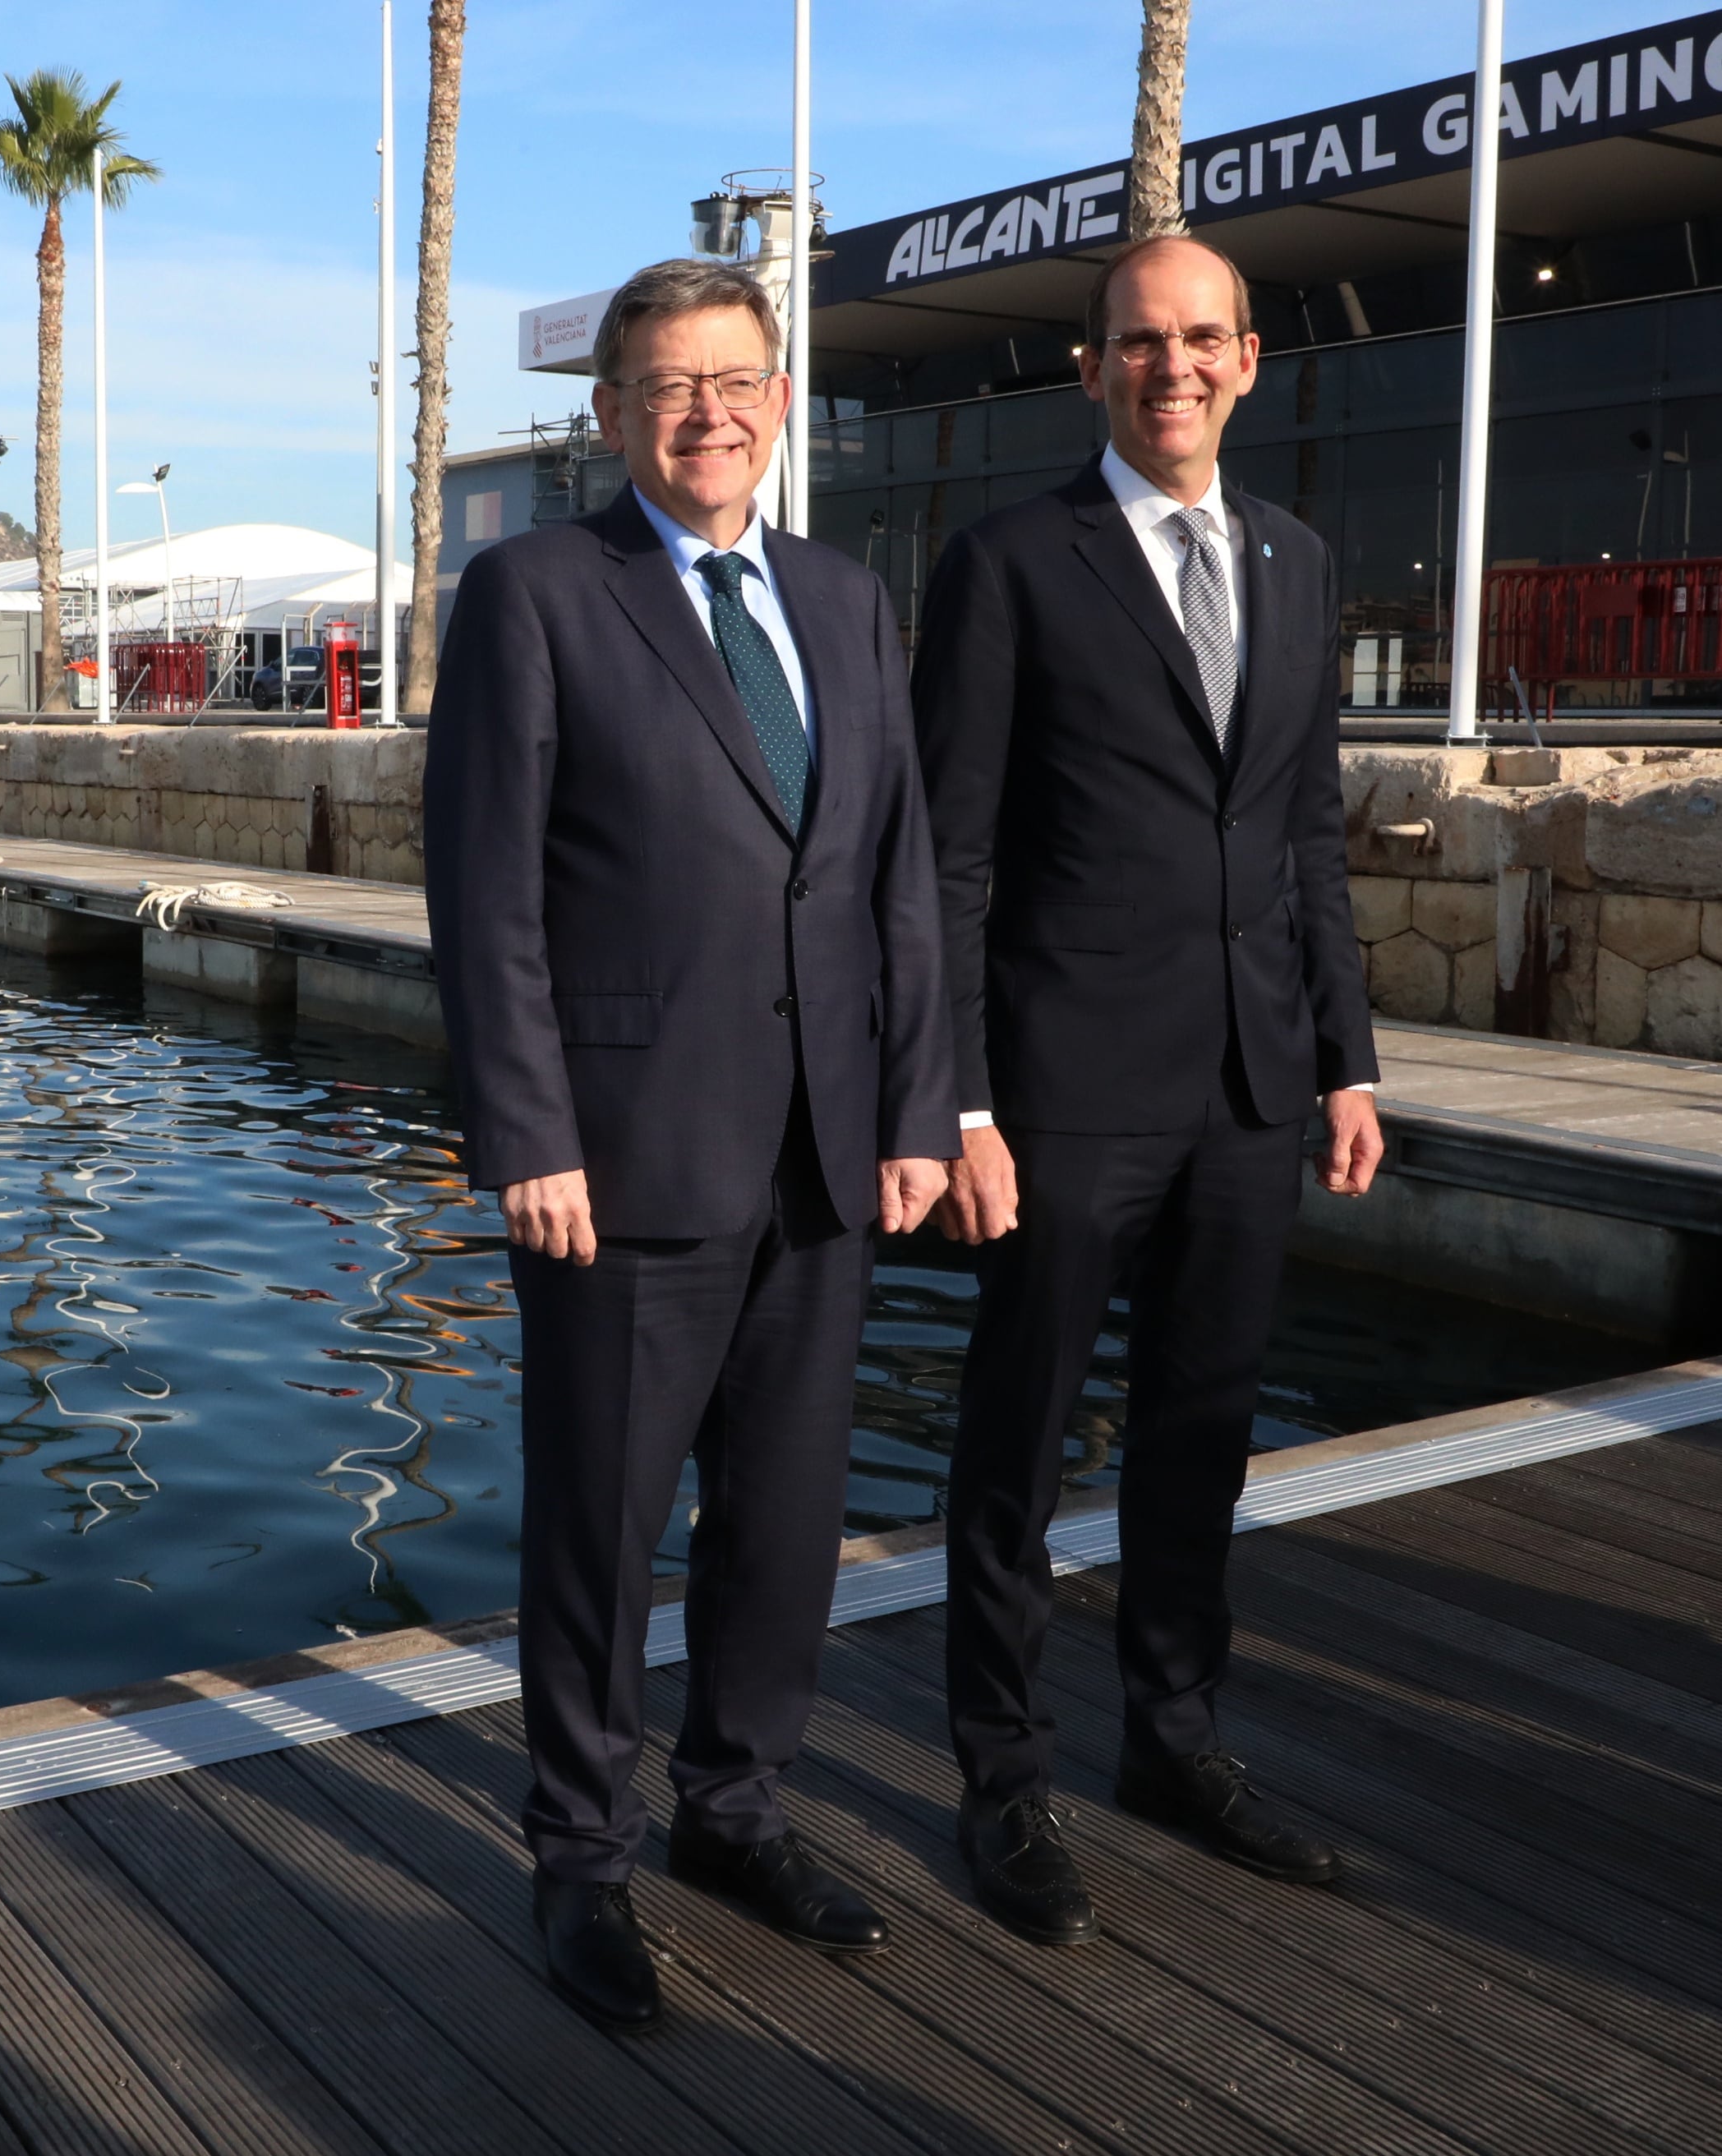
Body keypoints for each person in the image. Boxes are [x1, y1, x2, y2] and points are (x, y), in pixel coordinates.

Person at [426, 260, 958, 2032]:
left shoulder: (846, 600)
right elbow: (486, 891)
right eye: (666, 383)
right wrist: (529, 1132)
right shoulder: (534, 594)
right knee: (603, 1527)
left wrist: (912, 1109)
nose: (706, 411)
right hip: (620, 1157)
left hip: (826, 1157)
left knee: (785, 1520)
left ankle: (734, 1808)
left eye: (734, 378)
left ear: (782, 393)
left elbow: (892, 889)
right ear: (610, 413)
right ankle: (580, 1852)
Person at [912, 233, 1384, 1947]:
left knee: (1201, 1440)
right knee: (1017, 1448)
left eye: (1201, 339)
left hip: (1255, 1090)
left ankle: (1174, 1740)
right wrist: (957, 1102)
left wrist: (1347, 1056)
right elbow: (950, 863)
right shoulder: (1008, 564)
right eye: (1139, 341)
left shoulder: (1300, 558)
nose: (1171, 365)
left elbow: (1306, 834)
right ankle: (1000, 1772)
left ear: (1249, 359)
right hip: (1061, 1093)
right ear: (1092, 366)